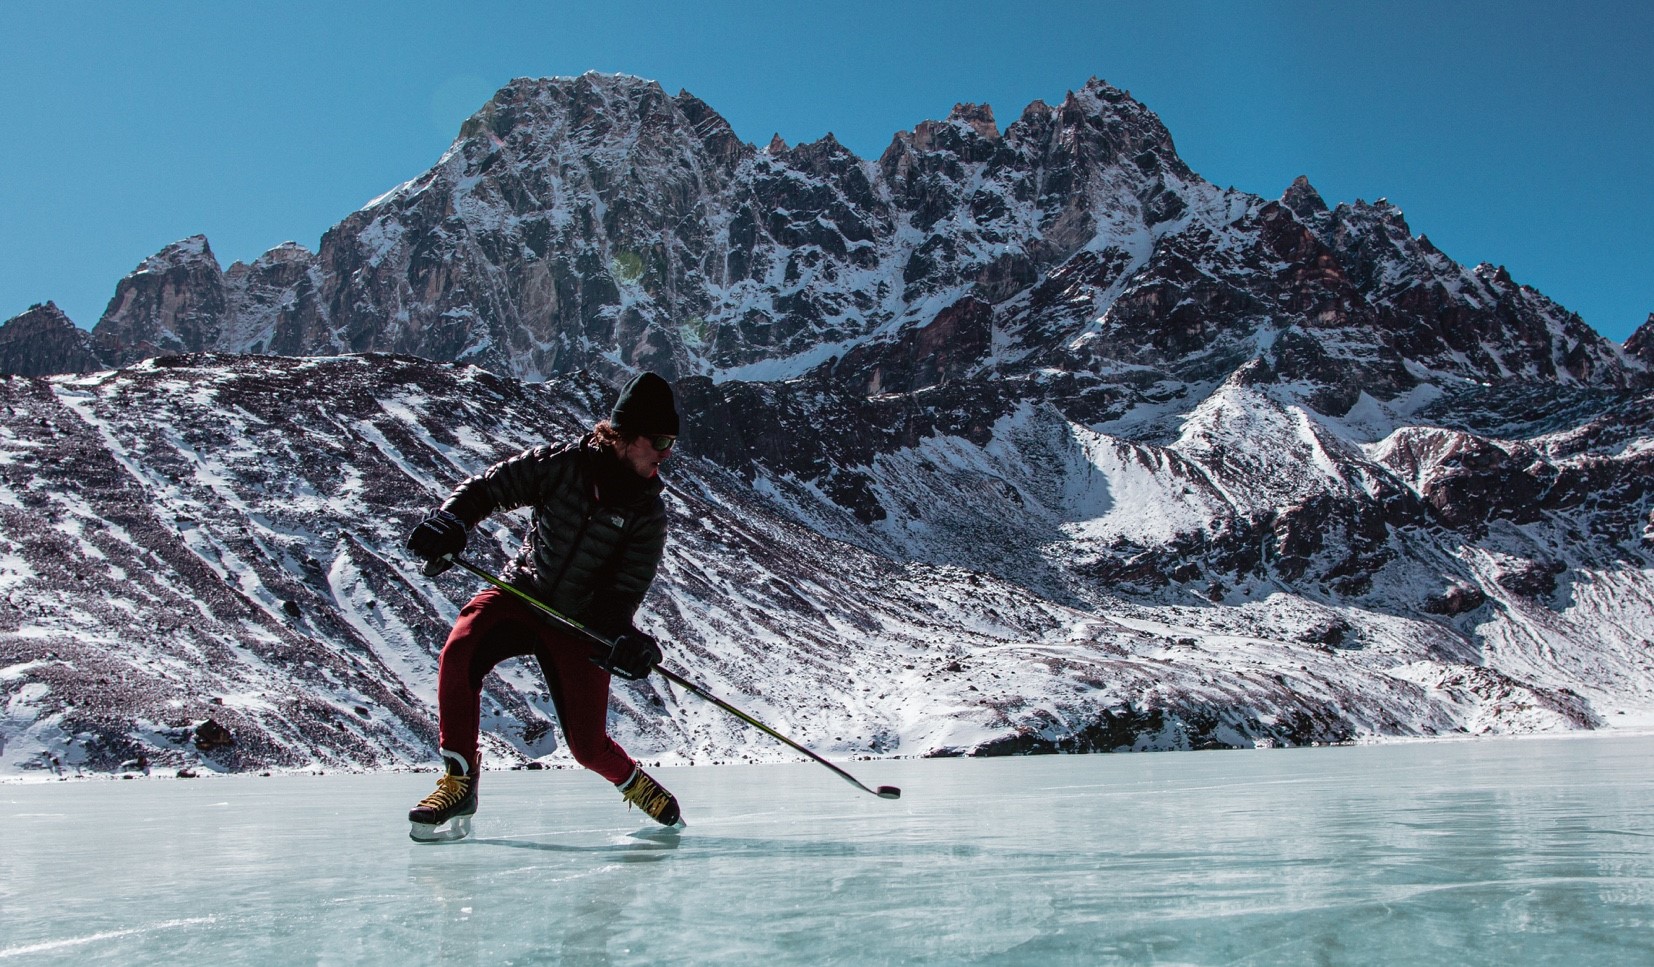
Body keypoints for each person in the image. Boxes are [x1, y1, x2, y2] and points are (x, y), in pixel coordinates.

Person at [403, 371, 683, 840]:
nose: (666, 453)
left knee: (588, 747)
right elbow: (488, 488)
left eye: (671, 442)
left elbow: (624, 592)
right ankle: (459, 781)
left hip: (579, 623)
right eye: (659, 440)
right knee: (461, 649)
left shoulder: (648, 513)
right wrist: (451, 521)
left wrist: (625, 638)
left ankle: (638, 785)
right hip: (521, 593)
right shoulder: (562, 463)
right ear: (623, 434)